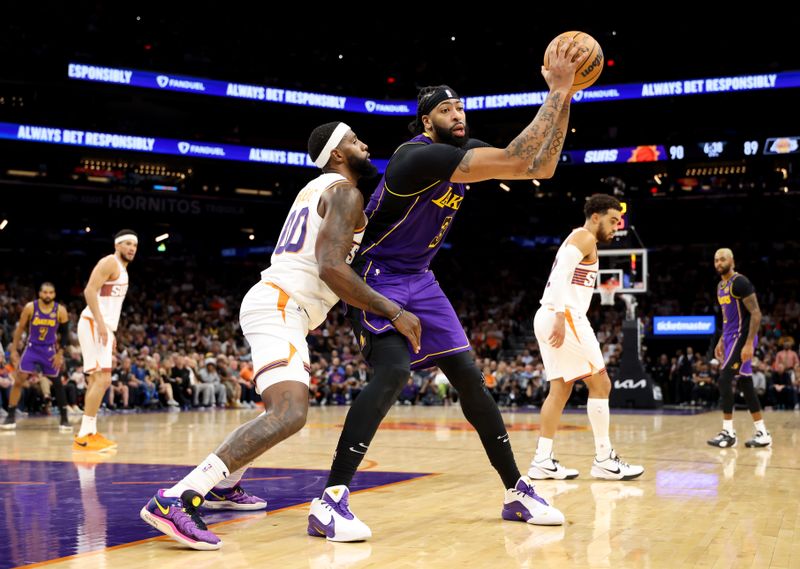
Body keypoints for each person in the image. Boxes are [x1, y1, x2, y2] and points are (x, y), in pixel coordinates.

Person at [310, 39, 589, 541]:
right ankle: (330, 501)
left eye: (460, 106)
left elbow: (539, 166)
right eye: (445, 108)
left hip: (422, 279)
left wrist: (565, 98)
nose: (457, 113)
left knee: (471, 381)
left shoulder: (462, 151)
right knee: (393, 373)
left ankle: (516, 491)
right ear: (426, 122)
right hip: (378, 276)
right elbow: (517, 155)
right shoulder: (415, 159)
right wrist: (559, 89)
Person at [140, 122, 421, 550]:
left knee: (280, 407)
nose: (365, 144)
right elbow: (330, 268)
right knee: (290, 412)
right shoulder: (344, 192)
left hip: (282, 303)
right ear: (337, 154)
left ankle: (225, 485)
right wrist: (392, 310)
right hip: (281, 304)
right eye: (354, 140)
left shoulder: (319, 189)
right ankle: (177, 498)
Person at [526, 194, 644, 481]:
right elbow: (561, 275)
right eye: (613, 220)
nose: (616, 227)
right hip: (563, 315)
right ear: (595, 216)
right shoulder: (584, 236)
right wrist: (559, 313)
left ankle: (542, 459)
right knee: (601, 384)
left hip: (549, 314)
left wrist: (554, 312)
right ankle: (604, 459)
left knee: (561, 390)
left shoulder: (579, 239)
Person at [73, 230, 137, 451]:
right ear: (117, 245)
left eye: (134, 245)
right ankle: (83, 435)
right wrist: (101, 325)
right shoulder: (110, 262)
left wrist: (110, 331)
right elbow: (89, 290)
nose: (131, 248)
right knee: (102, 379)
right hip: (93, 322)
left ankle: (89, 431)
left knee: (97, 380)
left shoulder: (123, 271)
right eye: (127, 244)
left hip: (102, 326)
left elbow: (109, 304)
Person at [707, 248, 771, 448]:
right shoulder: (720, 286)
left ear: (732, 261)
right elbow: (727, 317)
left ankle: (728, 432)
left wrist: (749, 343)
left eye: (723, 259)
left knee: (724, 379)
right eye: (716, 260)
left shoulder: (740, 282)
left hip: (742, 338)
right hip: (729, 337)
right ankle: (762, 433)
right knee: (745, 384)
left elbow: (756, 313)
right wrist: (720, 340)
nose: (719, 263)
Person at [1, 282, 71, 431]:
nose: (48, 295)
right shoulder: (30, 307)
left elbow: (65, 334)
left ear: (54, 294)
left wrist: (60, 353)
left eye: (51, 293)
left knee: (57, 383)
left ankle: (64, 418)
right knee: (20, 379)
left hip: (50, 350)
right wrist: (13, 350)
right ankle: (11, 416)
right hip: (32, 348)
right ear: (40, 293)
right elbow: (19, 329)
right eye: (45, 292)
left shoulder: (61, 310)